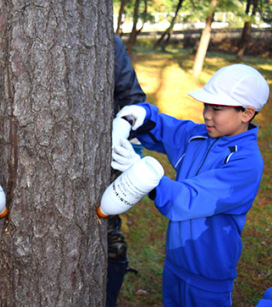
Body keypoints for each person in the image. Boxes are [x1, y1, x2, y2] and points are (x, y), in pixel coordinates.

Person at [112, 63, 269, 306]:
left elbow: (187, 200)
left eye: (216, 108)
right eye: (206, 105)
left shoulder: (245, 163)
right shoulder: (199, 136)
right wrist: (140, 115)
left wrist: (141, 173)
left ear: (246, 113)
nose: (207, 114)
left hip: (208, 278)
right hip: (175, 263)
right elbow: (165, 129)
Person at [106, 34, 145, 307]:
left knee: (110, 242)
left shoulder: (108, 41)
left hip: (100, 163)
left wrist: (125, 125)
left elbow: (134, 101)